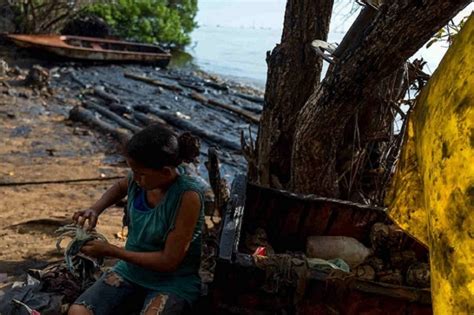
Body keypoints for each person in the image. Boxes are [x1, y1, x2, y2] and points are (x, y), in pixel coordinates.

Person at [68, 124, 204, 315]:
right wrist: (95, 209)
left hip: (172, 281)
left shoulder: (187, 197)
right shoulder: (141, 181)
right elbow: (120, 186)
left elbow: (168, 261)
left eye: (140, 174)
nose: (135, 178)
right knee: (78, 312)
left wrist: (112, 251)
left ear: (166, 172)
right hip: (131, 272)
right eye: (133, 171)